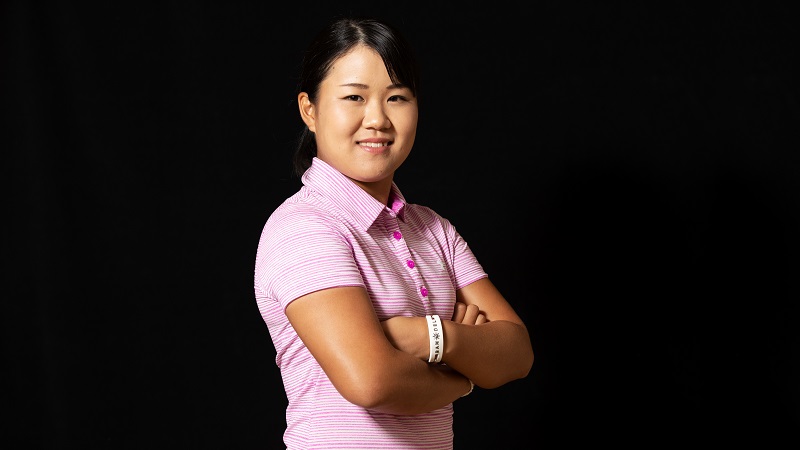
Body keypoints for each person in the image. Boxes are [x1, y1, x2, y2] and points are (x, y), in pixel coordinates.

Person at [253, 16, 534, 449]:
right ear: (310, 110)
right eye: (354, 97)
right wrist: (465, 376)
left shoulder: (433, 229)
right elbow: (372, 382)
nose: (377, 119)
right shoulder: (304, 227)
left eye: (397, 97)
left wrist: (430, 337)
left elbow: (516, 354)